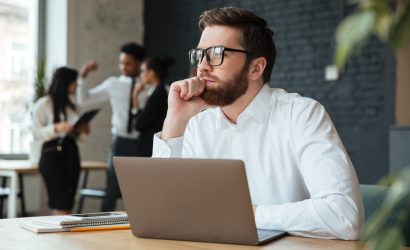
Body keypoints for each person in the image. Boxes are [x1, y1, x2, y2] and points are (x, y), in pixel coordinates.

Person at [152, 7, 364, 240]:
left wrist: (246, 215)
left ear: (256, 68)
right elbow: (162, 212)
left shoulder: (301, 115)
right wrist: (175, 119)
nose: (202, 66)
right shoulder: (197, 125)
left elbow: (344, 215)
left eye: (216, 53)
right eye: (200, 54)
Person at [77, 42, 146, 212]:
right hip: (119, 143)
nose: (123, 67)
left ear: (139, 63)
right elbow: (84, 100)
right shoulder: (113, 84)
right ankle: (103, 226)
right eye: (121, 63)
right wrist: (82, 77)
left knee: (140, 190)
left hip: (142, 143)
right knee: (112, 189)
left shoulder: (149, 85)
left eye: (128, 63)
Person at [33, 67, 90, 215]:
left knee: (68, 203)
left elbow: (82, 138)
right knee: (61, 202)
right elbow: (36, 132)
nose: (76, 86)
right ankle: (61, 236)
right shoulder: (44, 104)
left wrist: (83, 130)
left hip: (71, 155)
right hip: (52, 156)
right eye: (74, 82)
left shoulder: (74, 107)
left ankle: (62, 235)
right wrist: (56, 128)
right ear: (65, 83)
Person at [131, 56, 172, 156]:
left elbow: (139, 124)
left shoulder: (158, 95)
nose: (140, 75)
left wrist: (135, 96)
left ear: (151, 72)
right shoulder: (158, 92)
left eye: (142, 71)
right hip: (150, 145)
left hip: (149, 146)